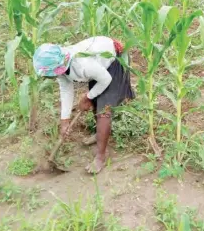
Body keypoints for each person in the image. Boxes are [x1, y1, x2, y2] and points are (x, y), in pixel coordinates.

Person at [33, 36, 134, 174]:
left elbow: (105, 79)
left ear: (56, 68)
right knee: (96, 100)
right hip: (99, 67)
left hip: (113, 64)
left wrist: (87, 97)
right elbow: (66, 90)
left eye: (46, 74)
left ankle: (101, 157)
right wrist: (65, 121)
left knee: (104, 110)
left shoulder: (82, 64)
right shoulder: (62, 67)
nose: (45, 77)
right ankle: (99, 135)